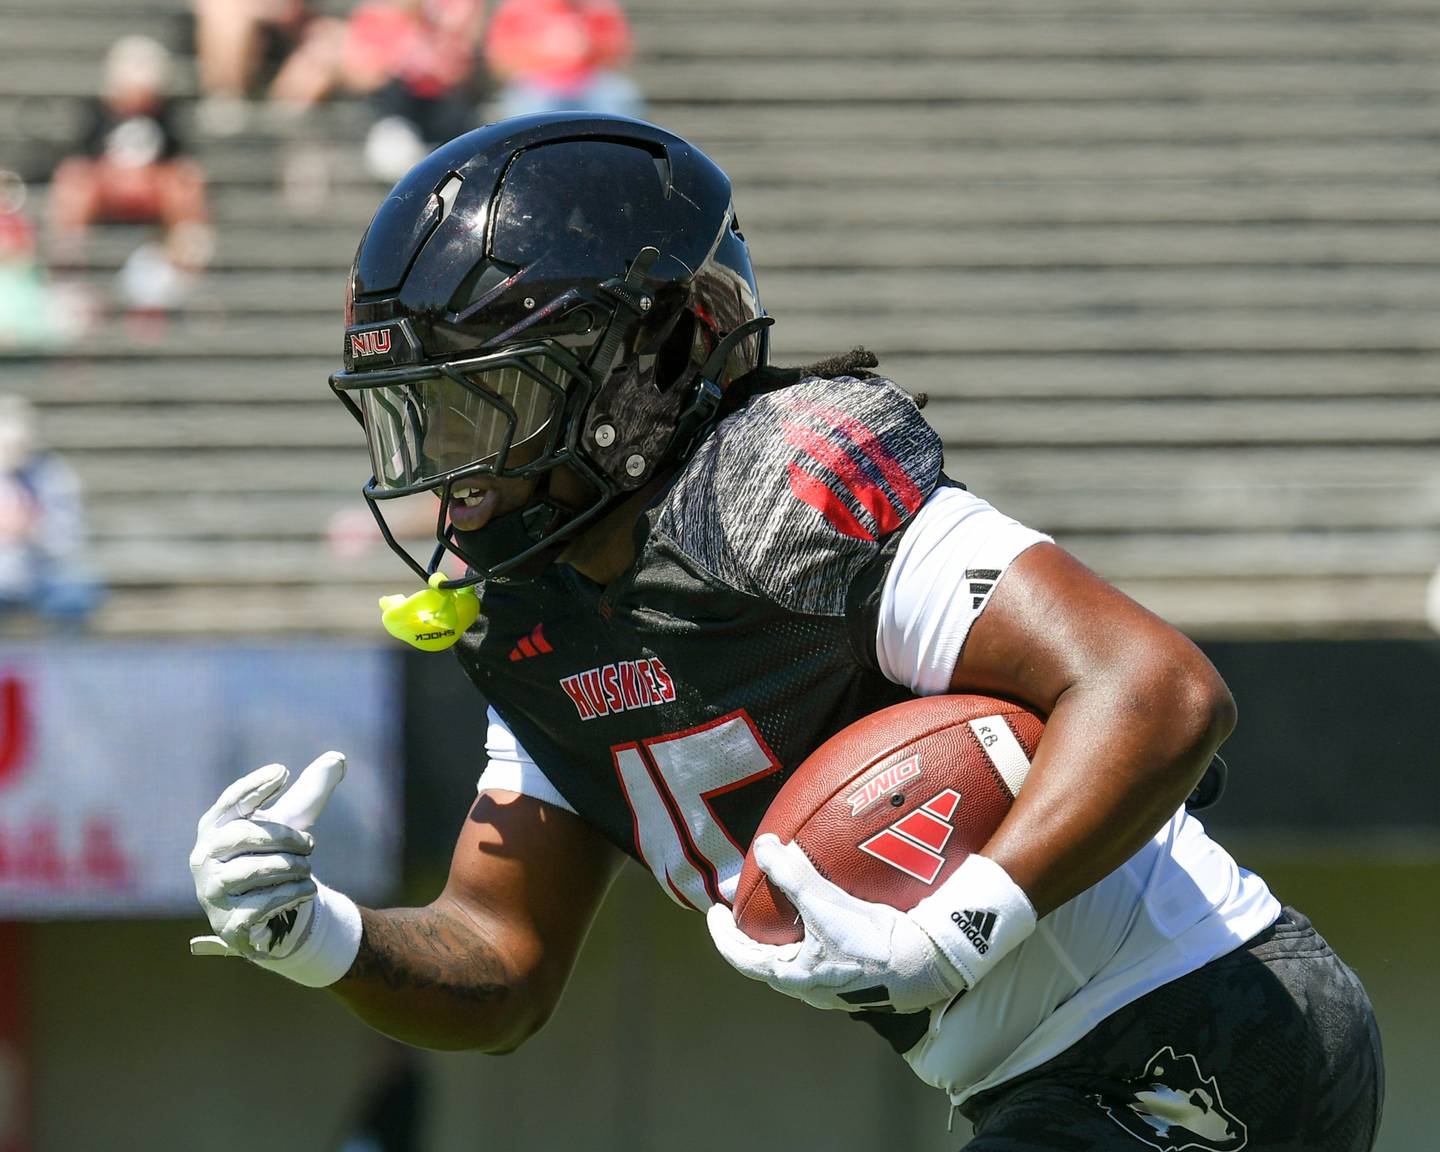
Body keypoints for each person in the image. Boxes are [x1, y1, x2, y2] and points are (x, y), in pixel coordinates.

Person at [189, 115, 1384, 1150]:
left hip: (1216, 1018)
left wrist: (965, 919)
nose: (452, 476)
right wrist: (315, 934)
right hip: (1043, 1083)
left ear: (646, 357)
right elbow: (500, 960)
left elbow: (1157, 689)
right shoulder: (534, 617)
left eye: (482, 407)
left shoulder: (769, 491)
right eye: (428, 421)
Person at [46, 36, 209, 266]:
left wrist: (146, 178)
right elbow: (82, 159)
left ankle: (189, 258)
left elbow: (178, 161)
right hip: (108, 189)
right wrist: (115, 177)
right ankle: (68, 257)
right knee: (74, 179)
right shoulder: (95, 115)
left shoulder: (168, 117)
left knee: (184, 182)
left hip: (153, 191)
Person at [484, 0, 641, 120]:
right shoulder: (519, 7)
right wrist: (542, 50)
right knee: (526, 99)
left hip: (590, 80)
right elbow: (499, 58)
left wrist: (591, 45)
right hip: (538, 81)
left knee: (619, 93)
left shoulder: (598, 6)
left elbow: (622, 50)